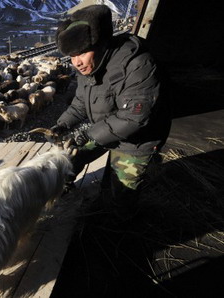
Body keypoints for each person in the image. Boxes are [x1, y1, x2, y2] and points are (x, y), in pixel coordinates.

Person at [52, 5, 171, 214]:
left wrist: (88, 134)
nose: (76, 62)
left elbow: (134, 118)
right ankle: (60, 196)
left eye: (82, 53)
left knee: (120, 191)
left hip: (138, 139)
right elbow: (80, 103)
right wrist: (62, 124)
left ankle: (117, 222)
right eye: (72, 56)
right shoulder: (89, 67)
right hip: (106, 126)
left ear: (100, 44)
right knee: (71, 158)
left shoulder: (137, 65)